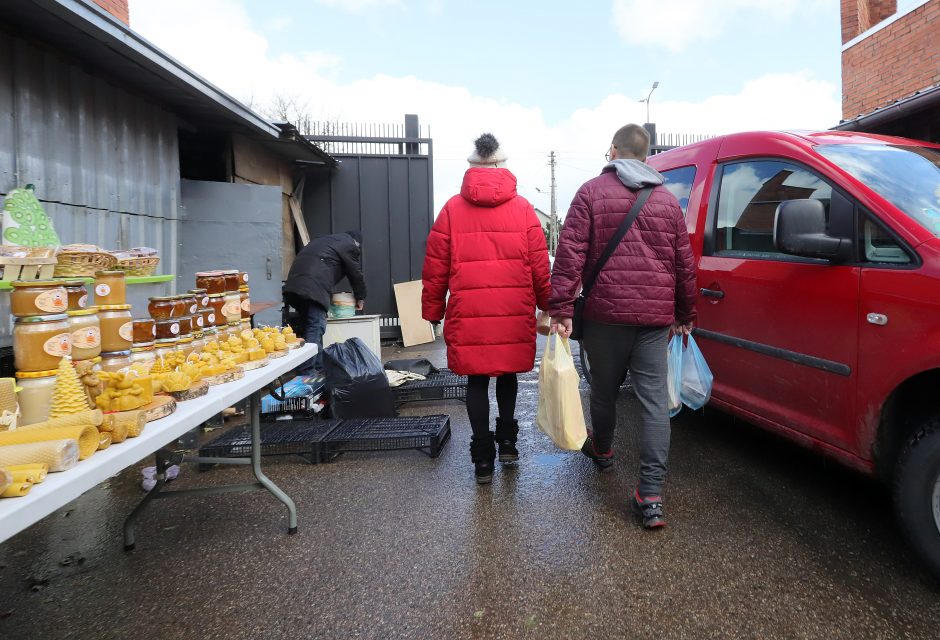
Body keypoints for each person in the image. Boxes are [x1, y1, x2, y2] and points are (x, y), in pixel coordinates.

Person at [549, 124, 696, 528]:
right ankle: (649, 495)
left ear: (613, 151)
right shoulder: (668, 202)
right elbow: (684, 265)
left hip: (603, 317)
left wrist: (561, 307)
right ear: (646, 157)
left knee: (604, 391)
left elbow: (570, 253)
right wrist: (686, 315)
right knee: (653, 405)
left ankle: (604, 449)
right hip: (653, 322)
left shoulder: (591, 192)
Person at [422, 133, 551, 485]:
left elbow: (435, 265)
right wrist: (548, 306)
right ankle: (508, 443)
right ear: (501, 165)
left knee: (476, 380)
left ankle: (482, 460)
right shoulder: (524, 208)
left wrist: (433, 309)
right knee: (508, 374)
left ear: (472, 166)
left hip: (469, 310)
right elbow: (540, 264)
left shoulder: (451, 208)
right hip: (513, 309)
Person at [283, 230, 366, 374]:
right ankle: (307, 371)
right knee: (316, 326)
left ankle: (318, 367)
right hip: (313, 286)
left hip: (294, 285)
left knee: (309, 327)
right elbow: (355, 274)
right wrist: (360, 296)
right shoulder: (349, 245)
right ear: (356, 243)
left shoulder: (322, 241)